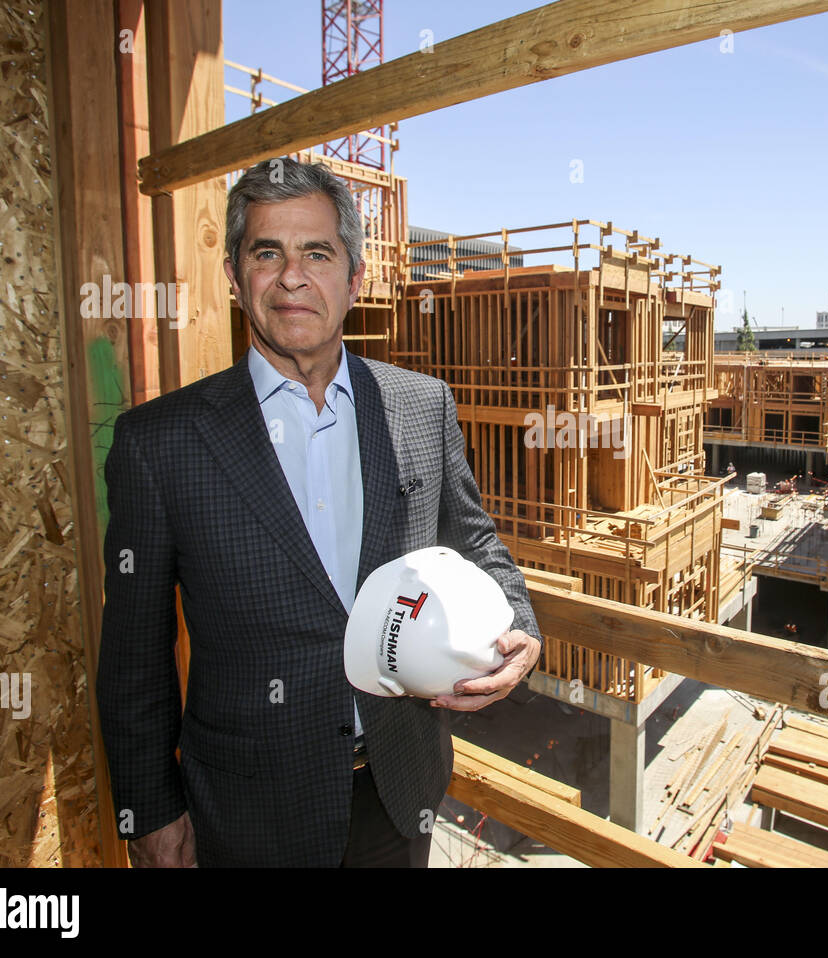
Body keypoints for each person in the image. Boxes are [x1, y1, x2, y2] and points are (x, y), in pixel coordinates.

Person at [96, 158, 541, 868]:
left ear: (354, 279)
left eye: (318, 254)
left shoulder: (421, 406)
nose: (293, 277)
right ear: (237, 278)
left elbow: (477, 544)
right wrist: (149, 810)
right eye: (267, 252)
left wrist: (519, 625)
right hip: (249, 814)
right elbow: (133, 655)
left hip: (399, 793)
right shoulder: (161, 443)